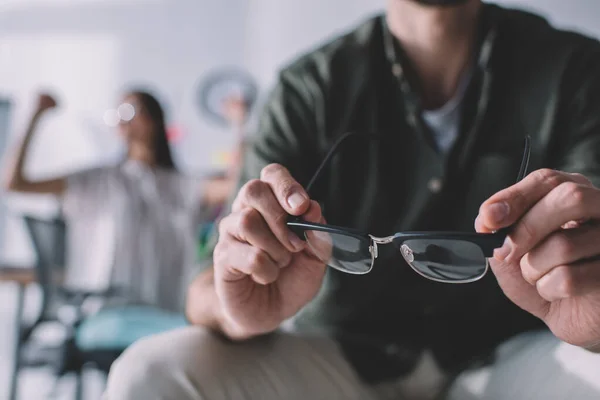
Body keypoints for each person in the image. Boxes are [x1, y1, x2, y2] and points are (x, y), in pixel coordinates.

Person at [104, 1, 600, 399]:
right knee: (150, 374)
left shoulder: (575, 72)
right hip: (340, 359)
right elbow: (208, 281)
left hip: (514, 356)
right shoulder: (309, 89)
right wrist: (238, 309)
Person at [4, 90, 218, 311]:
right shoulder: (98, 180)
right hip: (102, 309)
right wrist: (35, 116)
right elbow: (15, 183)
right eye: (118, 113)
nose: (122, 119)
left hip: (163, 310)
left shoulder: (181, 185)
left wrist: (240, 122)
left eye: (130, 111)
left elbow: (234, 184)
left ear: (154, 119)